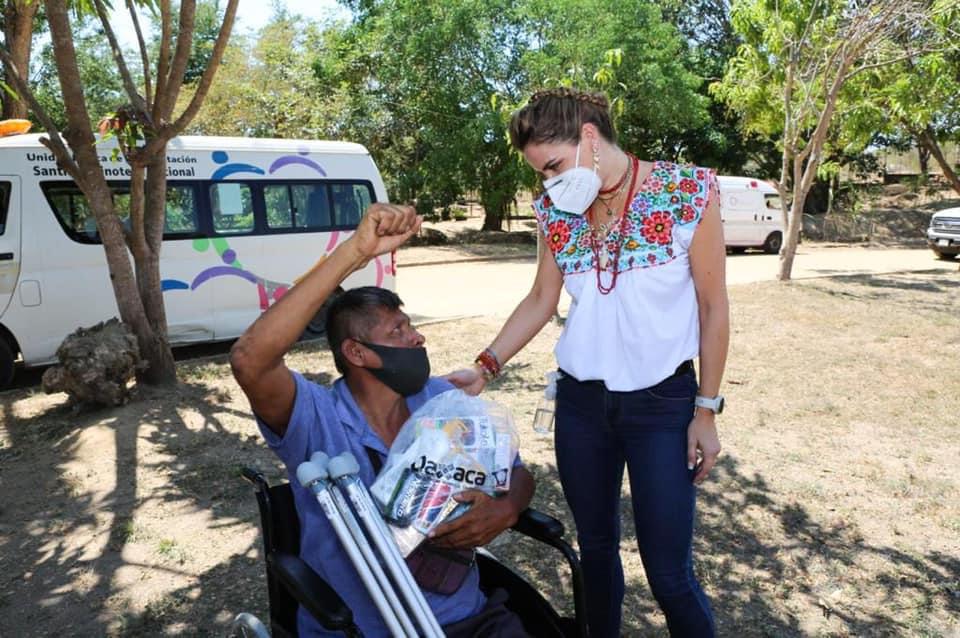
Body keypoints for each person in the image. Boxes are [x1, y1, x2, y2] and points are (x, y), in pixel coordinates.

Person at [447, 87, 729, 637]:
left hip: (662, 405)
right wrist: (485, 366)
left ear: (590, 138)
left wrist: (706, 411)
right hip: (580, 407)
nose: (549, 184)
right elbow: (541, 299)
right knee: (596, 553)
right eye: (540, 175)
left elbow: (713, 306)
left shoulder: (688, 191)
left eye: (553, 166)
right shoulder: (555, 211)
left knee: (669, 574)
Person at [230, 202, 534, 637]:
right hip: (365, 628)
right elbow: (250, 359)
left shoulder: (443, 401)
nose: (418, 337)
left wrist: (507, 506)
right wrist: (354, 252)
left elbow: (518, 474)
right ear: (356, 352)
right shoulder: (314, 418)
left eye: (410, 326)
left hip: (464, 619)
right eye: (398, 331)